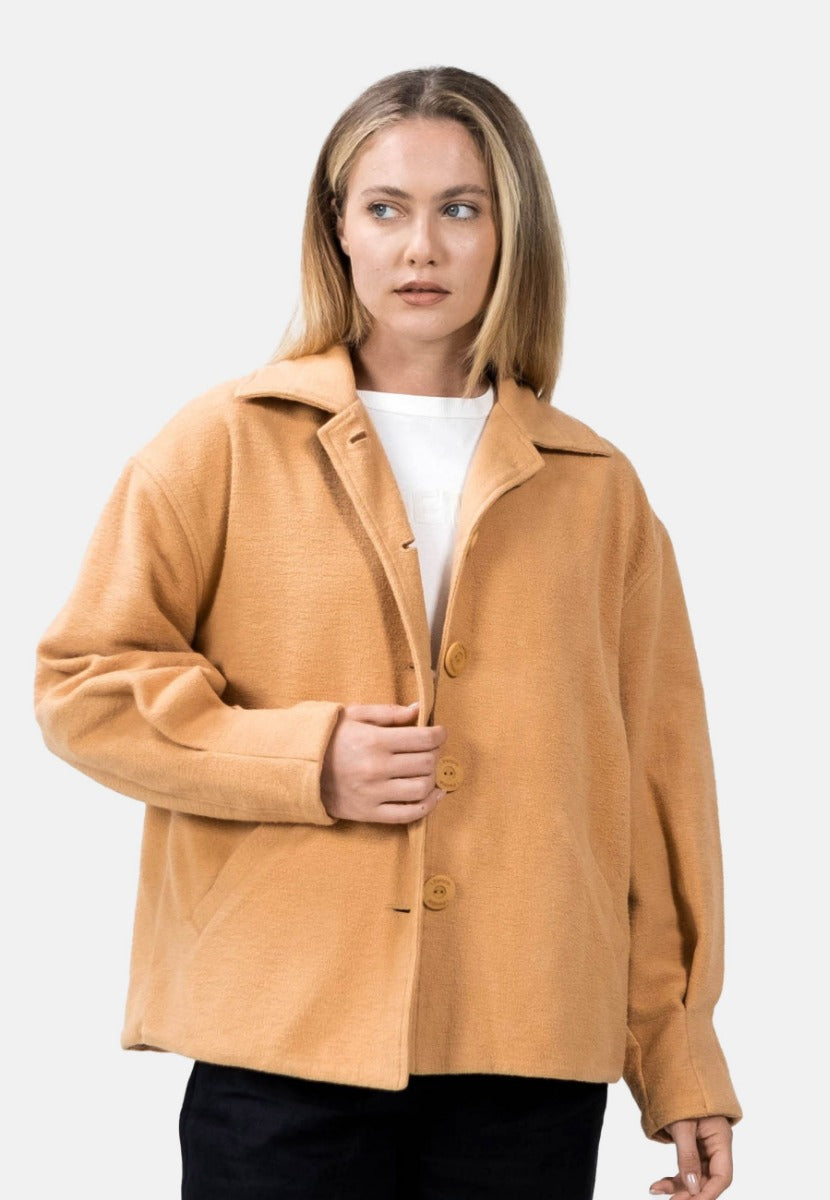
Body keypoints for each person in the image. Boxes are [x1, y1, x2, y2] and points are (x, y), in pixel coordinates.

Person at [33, 65, 743, 1199]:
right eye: (385, 208)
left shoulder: (597, 487)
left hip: (526, 1053)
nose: (421, 247)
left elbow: (659, 793)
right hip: (281, 1043)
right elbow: (82, 684)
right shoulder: (224, 442)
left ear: (511, 233)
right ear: (337, 229)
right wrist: (304, 760)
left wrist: (678, 1052)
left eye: (460, 208)